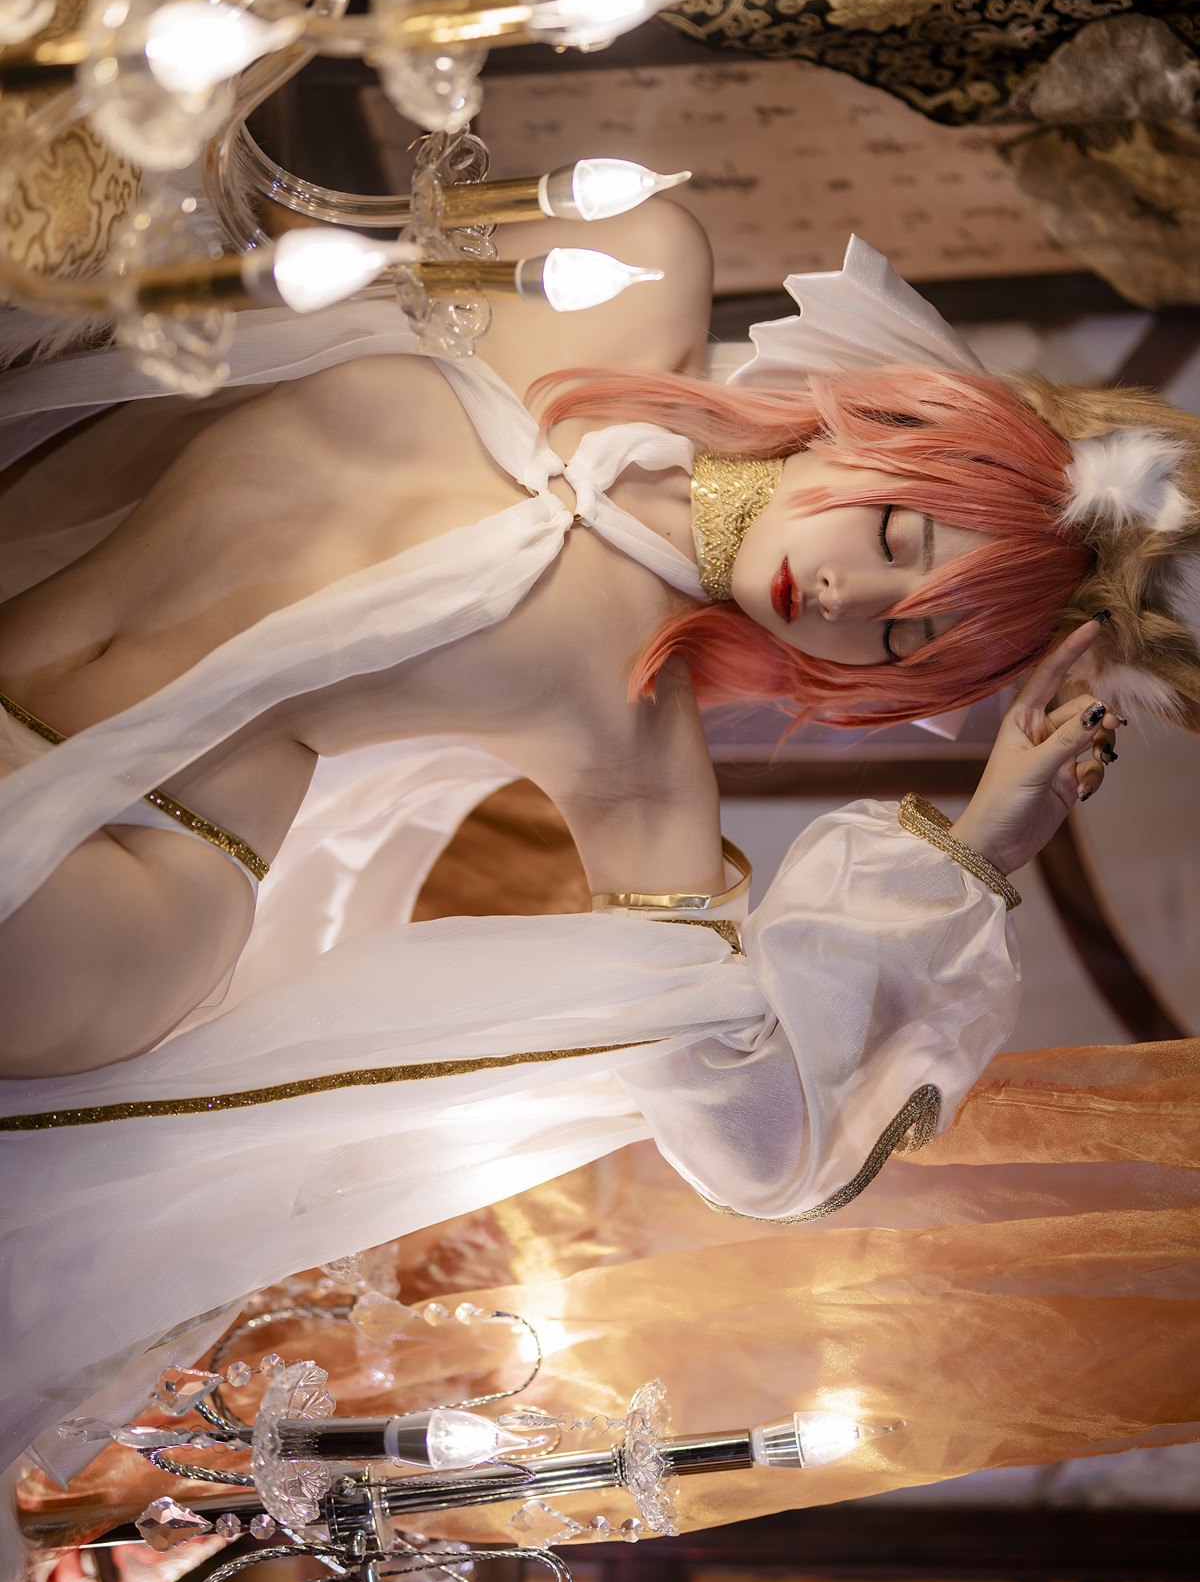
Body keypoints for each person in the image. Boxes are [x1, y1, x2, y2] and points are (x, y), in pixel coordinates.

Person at [1, 204, 1198, 1514]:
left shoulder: (637, 747)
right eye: (899, 535)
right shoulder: (629, 280)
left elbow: (755, 1145)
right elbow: (310, 236)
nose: (847, 598)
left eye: (904, 642)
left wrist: (980, 845)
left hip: (143, 871)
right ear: (882, 429)